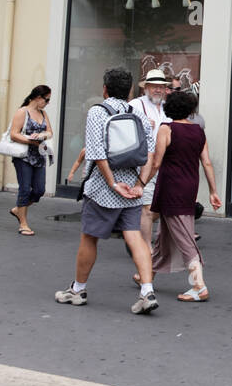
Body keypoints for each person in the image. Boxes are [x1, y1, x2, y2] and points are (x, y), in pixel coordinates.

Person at [54, 68, 158, 315]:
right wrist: (140, 186)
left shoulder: (97, 112)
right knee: (136, 237)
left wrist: (112, 183)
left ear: (105, 89)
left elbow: (96, 153)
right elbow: (150, 156)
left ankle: (78, 290)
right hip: (132, 188)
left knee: (89, 237)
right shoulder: (139, 115)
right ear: (130, 91)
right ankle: (146, 291)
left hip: (103, 188)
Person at [138, 90, 221, 301]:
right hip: (189, 185)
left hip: (170, 186)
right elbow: (207, 163)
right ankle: (146, 276)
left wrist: (140, 184)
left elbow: (156, 163)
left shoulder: (166, 129)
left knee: (184, 236)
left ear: (168, 108)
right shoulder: (198, 132)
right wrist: (213, 191)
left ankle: (199, 286)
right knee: (164, 236)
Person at [130, 70, 172, 249]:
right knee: (147, 208)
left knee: (162, 207)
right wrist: (140, 124)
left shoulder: (167, 107)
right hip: (145, 164)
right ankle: (146, 248)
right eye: (154, 86)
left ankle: (133, 231)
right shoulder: (135, 105)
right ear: (146, 87)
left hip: (165, 164)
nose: (158, 89)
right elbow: (122, 129)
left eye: (161, 86)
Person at [7, 85, 52, 236]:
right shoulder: (22, 112)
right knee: (25, 189)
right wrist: (30, 140)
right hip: (23, 156)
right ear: (38, 97)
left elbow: (50, 132)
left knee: (39, 190)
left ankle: (18, 209)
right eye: (47, 99)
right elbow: (13, 134)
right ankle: (23, 224)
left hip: (39, 155)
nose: (48, 103)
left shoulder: (43, 113)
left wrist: (43, 136)